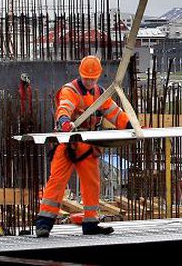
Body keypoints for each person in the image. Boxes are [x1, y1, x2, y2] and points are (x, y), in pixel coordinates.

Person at [35, 56, 133, 238]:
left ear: (98, 77)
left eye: (92, 79)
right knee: (56, 182)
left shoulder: (100, 94)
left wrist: (132, 126)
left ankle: (90, 222)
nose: (89, 82)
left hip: (87, 146)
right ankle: (44, 223)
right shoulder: (70, 90)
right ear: (80, 75)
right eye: (86, 79)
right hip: (67, 144)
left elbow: (115, 115)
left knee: (92, 183)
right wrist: (64, 121)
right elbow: (64, 108)